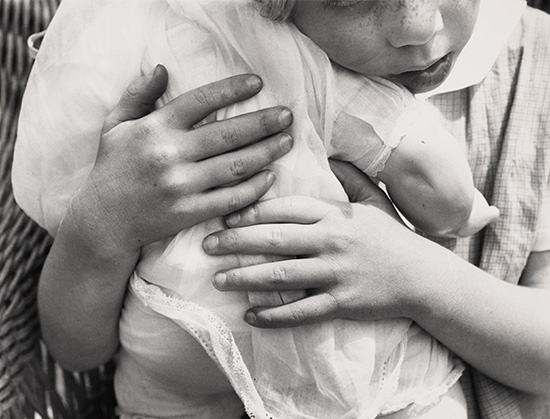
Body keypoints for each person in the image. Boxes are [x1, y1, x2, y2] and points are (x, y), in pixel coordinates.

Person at [11, 0, 550, 418]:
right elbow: (76, 349)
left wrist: (412, 276)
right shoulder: (189, 62)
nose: (418, 26)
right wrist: (104, 220)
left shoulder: (537, 75)